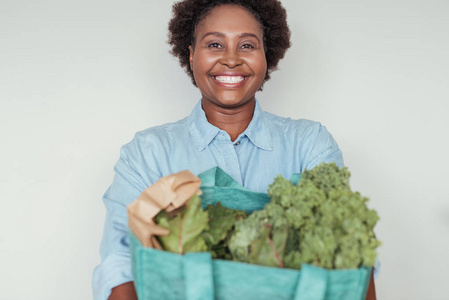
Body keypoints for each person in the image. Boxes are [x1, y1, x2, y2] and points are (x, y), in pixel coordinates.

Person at [92, 0, 377, 299]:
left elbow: (350, 251)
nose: (231, 59)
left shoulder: (309, 144)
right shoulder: (148, 153)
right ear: (191, 55)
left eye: (247, 46)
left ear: (267, 55)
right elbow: (120, 263)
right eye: (215, 44)